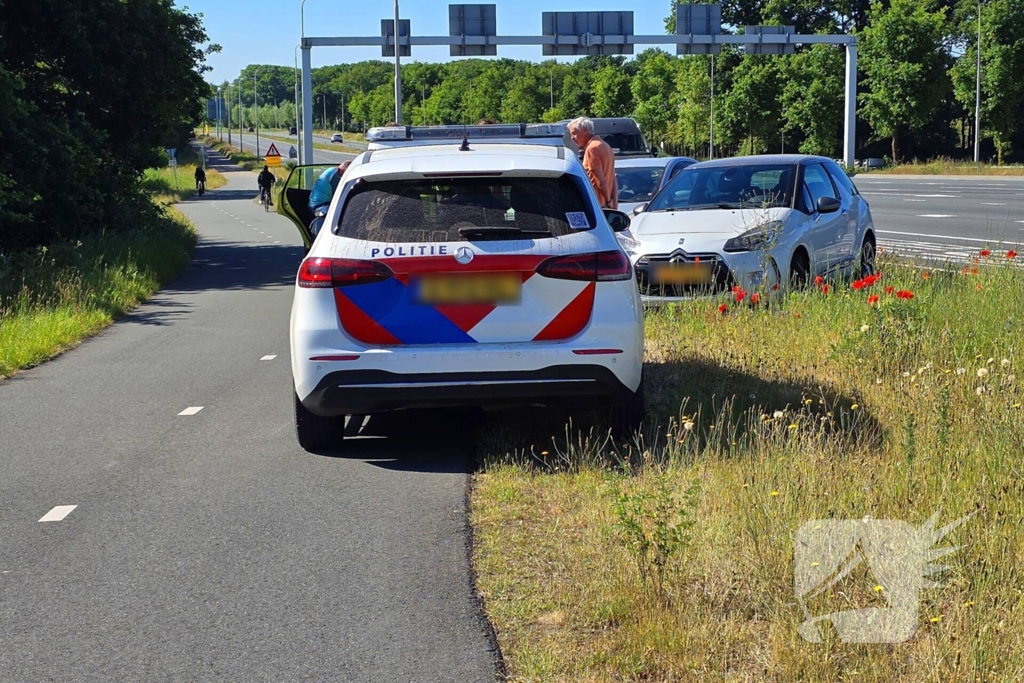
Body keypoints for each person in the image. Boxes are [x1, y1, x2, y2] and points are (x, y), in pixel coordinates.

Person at [567, 116, 618, 210]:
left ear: (585, 130)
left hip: (597, 206)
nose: (572, 138)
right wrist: (614, 205)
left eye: (574, 133)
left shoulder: (592, 148)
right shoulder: (605, 145)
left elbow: (601, 182)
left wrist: (608, 200)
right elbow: (613, 180)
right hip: (606, 206)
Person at [308, 161, 351, 236]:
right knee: (339, 216)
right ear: (345, 169)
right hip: (320, 206)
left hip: (315, 203)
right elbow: (337, 194)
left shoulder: (332, 170)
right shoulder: (335, 177)